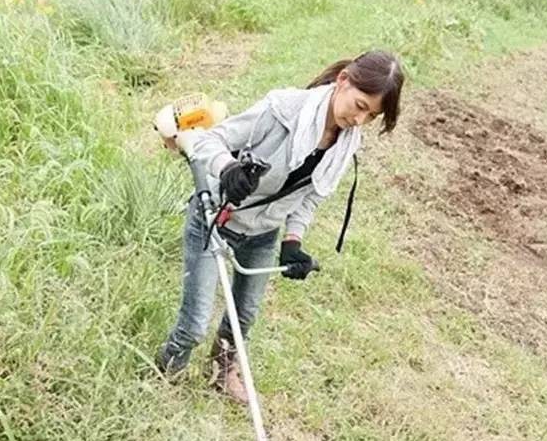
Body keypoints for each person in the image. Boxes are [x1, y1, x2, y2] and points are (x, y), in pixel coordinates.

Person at [156, 49, 405, 403]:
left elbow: (310, 197)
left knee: (244, 317)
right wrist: (228, 169)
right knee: (195, 323)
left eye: (371, 116)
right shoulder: (283, 109)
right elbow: (210, 140)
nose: (359, 119)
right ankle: (166, 374)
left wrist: (292, 240)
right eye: (360, 105)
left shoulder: (346, 144)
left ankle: (221, 373)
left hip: (261, 233)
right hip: (215, 218)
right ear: (343, 80)